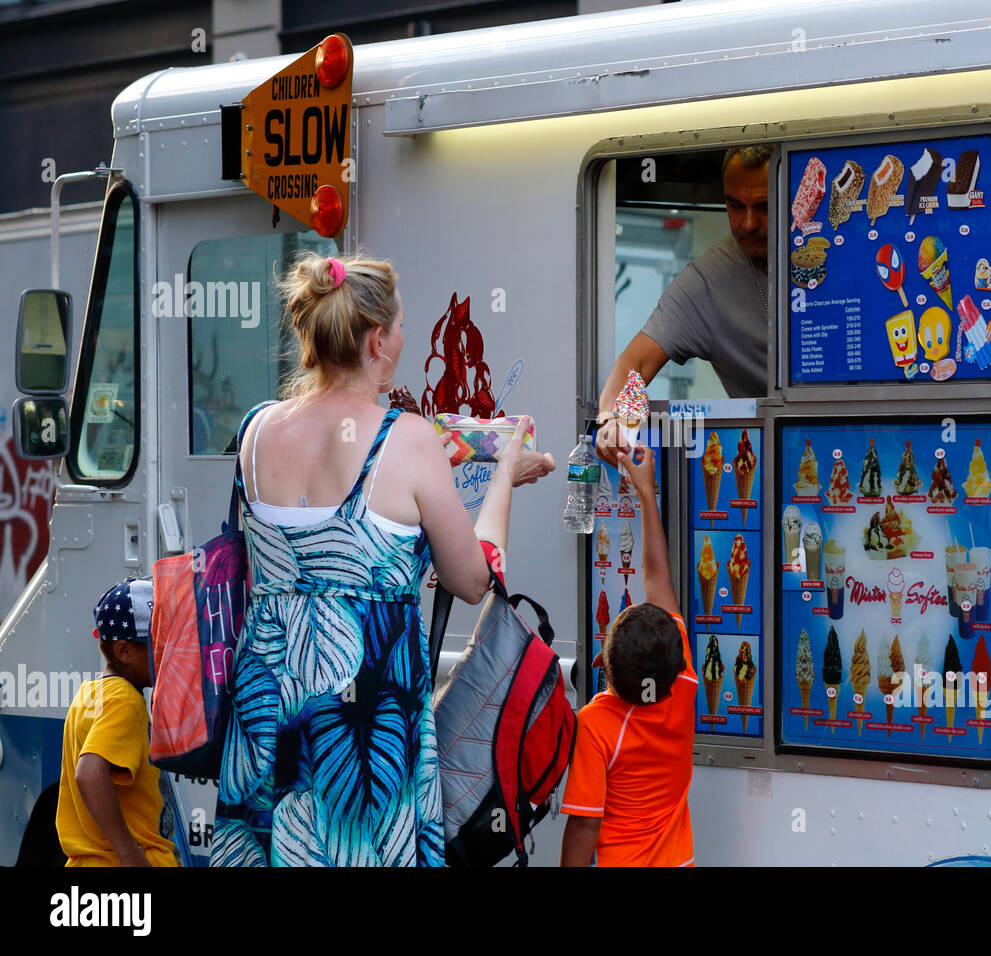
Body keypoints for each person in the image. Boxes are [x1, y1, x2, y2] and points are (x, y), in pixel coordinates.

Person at [211, 253, 554, 867]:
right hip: (364, 718)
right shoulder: (410, 440)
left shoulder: (256, 432)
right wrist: (504, 474)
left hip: (266, 706)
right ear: (376, 341)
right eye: (398, 328)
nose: (402, 338)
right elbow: (473, 578)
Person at [559, 444, 696, 866]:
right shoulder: (684, 684)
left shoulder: (596, 725)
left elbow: (584, 825)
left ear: (605, 668)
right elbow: (658, 577)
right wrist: (646, 491)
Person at [595, 144, 771, 464]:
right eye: (735, 206)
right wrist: (612, 419)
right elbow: (637, 362)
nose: (748, 223)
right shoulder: (708, 280)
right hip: (762, 458)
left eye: (765, 207)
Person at [55, 579, 178, 867]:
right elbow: (89, 773)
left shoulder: (89, 692)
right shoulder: (125, 702)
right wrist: (129, 853)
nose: (169, 653)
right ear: (124, 651)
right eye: (159, 645)